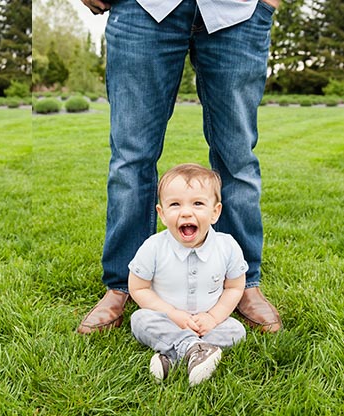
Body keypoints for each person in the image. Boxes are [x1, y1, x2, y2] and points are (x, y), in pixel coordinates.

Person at [77, 0, 282, 334]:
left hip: (239, 10)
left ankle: (243, 282)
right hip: (142, 7)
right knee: (131, 159)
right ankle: (123, 284)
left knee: (237, 160)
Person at [128, 164, 246, 385]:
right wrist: (172, 314)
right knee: (140, 319)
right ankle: (194, 350)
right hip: (167, 320)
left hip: (208, 323)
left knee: (236, 330)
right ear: (162, 214)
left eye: (198, 203)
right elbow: (138, 287)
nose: (186, 212)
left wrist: (213, 317)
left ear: (215, 212)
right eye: (174, 204)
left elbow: (234, 287)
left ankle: (171, 357)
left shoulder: (227, 246)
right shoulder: (153, 247)